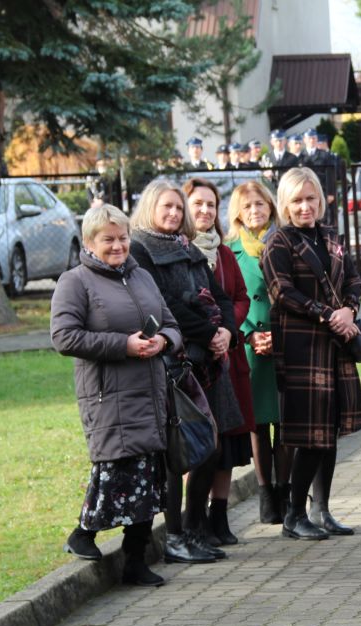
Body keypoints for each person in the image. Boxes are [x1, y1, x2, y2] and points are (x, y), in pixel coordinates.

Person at [52, 204, 183, 587]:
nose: (117, 246)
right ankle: (83, 532)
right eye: (107, 239)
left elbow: (172, 324)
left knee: (149, 478)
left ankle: (135, 560)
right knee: (116, 470)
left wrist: (164, 341)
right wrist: (122, 345)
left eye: (123, 238)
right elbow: (64, 337)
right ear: (89, 242)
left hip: (150, 393)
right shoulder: (74, 282)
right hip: (108, 396)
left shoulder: (141, 275)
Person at [130, 179, 243, 564]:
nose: (174, 213)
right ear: (150, 207)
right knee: (177, 453)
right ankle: (175, 536)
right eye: (167, 206)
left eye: (178, 208)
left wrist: (227, 332)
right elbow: (162, 305)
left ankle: (196, 529)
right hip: (174, 363)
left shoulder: (187, 246)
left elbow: (221, 296)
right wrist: (210, 333)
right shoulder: (139, 249)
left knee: (210, 447)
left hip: (208, 361)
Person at [260, 167, 361, 540]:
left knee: (330, 429)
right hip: (302, 348)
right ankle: (293, 515)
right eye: (297, 200)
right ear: (284, 203)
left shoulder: (331, 236)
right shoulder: (278, 242)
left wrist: (349, 310)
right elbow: (282, 292)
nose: (305, 206)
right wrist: (328, 315)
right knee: (310, 435)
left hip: (335, 345)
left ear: (320, 199)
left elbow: (354, 278)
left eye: (311, 198)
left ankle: (321, 510)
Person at [184, 177, 255, 547]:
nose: (205, 210)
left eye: (211, 204)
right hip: (196, 362)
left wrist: (228, 330)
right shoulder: (180, 252)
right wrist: (209, 334)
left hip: (228, 357)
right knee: (199, 441)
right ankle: (192, 518)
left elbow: (239, 297)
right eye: (197, 203)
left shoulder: (224, 253)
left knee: (227, 442)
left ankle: (220, 516)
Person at [228, 180, 291, 524]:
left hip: (286, 342)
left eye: (260, 204)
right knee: (258, 424)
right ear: (238, 212)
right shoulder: (230, 251)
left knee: (284, 422)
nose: (255, 210)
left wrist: (279, 334)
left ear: (271, 207)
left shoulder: (285, 242)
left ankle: (285, 492)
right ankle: (266, 495)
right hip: (250, 346)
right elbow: (228, 300)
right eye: (247, 205)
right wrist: (251, 335)